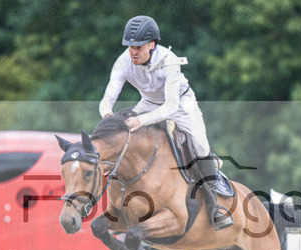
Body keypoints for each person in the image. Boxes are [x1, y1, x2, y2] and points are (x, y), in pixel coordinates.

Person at [99, 15, 231, 230]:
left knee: (200, 145)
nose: (133, 52)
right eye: (130, 47)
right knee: (122, 134)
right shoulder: (123, 61)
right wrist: (107, 115)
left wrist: (140, 120)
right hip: (148, 103)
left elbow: (170, 107)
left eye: (139, 47)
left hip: (181, 104)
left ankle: (215, 206)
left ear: (152, 44)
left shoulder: (169, 60)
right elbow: (108, 98)